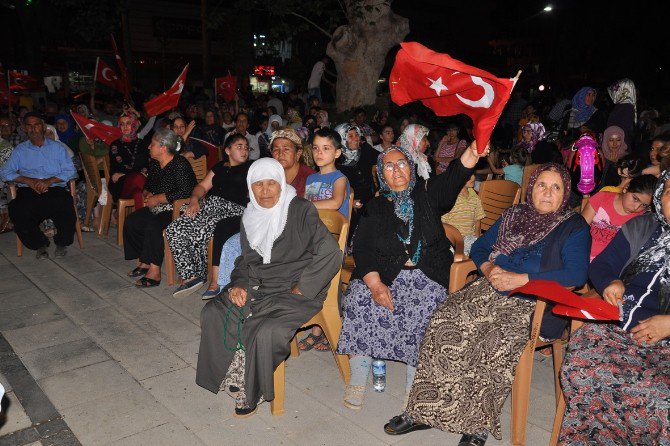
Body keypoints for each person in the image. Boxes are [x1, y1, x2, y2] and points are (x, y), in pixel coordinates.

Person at [385, 163, 591, 445]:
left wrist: (522, 279)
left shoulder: (573, 227)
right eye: (542, 184)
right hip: (491, 286)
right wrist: (489, 269)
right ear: (532, 188)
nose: (547, 192)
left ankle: (476, 424)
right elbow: (481, 247)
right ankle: (423, 410)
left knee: (494, 340)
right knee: (446, 319)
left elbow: (576, 275)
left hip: (534, 301)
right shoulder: (516, 214)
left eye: (556, 187)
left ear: (566, 193)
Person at [336, 142, 486, 410]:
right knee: (358, 298)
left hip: (429, 273)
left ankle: (414, 383)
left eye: (402, 163)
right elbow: (363, 248)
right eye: (389, 166)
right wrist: (375, 283)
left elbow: (454, 177)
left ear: (412, 167)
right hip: (386, 274)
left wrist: (472, 153)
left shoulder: (428, 193)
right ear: (382, 174)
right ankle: (358, 377)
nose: (396, 170)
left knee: (427, 308)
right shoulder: (375, 206)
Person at [195, 157, 343, 417]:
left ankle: (253, 389)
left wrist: (303, 287)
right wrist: (239, 283)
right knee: (215, 311)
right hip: (258, 284)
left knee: (265, 328)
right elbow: (245, 259)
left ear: (281, 183)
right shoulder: (251, 213)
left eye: (271, 183)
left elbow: (330, 252)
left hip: (296, 289)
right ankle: (233, 370)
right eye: (258, 184)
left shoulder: (299, 209)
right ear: (250, 187)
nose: (264, 191)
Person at [560, 171, 670, 444]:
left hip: (664, 346)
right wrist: (611, 282)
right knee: (580, 365)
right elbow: (602, 264)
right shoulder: (642, 227)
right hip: (619, 327)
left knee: (658, 398)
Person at [166, 133, 251, 297]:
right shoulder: (219, 167)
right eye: (239, 147)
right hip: (210, 206)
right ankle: (191, 275)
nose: (244, 151)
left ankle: (208, 277)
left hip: (233, 210)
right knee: (174, 228)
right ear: (227, 150)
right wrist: (194, 200)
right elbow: (202, 187)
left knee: (200, 229)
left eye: (246, 147)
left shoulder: (250, 168)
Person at [298, 128, 350, 352]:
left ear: (337, 153)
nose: (320, 153)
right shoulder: (311, 178)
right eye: (316, 148)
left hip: (333, 242)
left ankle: (320, 329)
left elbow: (335, 202)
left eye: (326, 149)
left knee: (323, 271)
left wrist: (303, 205)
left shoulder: (340, 178)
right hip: (312, 238)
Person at [124, 128, 196, 287]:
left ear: (163, 148)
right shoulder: (156, 163)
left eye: (153, 144)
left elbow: (187, 191)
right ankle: (145, 261)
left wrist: (159, 198)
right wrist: (147, 193)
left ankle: (155, 272)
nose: (149, 147)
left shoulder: (180, 163)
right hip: (159, 208)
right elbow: (149, 183)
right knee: (132, 222)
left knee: (153, 226)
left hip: (178, 209)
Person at [0, 112, 78, 259]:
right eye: (29, 126)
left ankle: (62, 243)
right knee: (17, 209)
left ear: (42, 126)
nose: (33, 129)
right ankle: (39, 244)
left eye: (36, 125)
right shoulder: (20, 150)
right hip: (29, 190)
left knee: (65, 203)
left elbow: (70, 171)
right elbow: (5, 172)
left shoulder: (57, 148)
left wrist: (49, 181)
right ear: (24, 128)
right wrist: (27, 180)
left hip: (54, 187)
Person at [582, 174, 654, 261]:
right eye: (635, 199)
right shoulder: (602, 198)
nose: (636, 207)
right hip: (582, 253)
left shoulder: (640, 219)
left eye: (644, 205)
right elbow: (579, 230)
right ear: (626, 188)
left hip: (607, 264)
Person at [109, 113, 151, 210]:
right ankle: (155, 196)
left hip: (139, 183)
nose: (125, 127)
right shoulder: (115, 145)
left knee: (138, 194)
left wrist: (125, 173)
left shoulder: (143, 144)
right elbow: (121, 166)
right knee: (138, 177)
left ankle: (140, 223)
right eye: (122, 124)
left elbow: (148, 164)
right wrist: (132, 173)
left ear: (134, 125)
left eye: (128, 123)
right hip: (120, 185)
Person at [441, 174, 485, 254]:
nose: (473, 177)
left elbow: (477, 221)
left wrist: (477, 240)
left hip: (470, 237)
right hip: (453, 239)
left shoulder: (475, 197)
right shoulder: (449, 198)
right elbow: (443, 224)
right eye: (468, 175)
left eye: (473, 174)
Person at [270, 127, 315, 197]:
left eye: (286, 149)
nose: (280, 153)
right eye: (276, 149)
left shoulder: (311, 178)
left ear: (298, 153)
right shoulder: (268, 176)